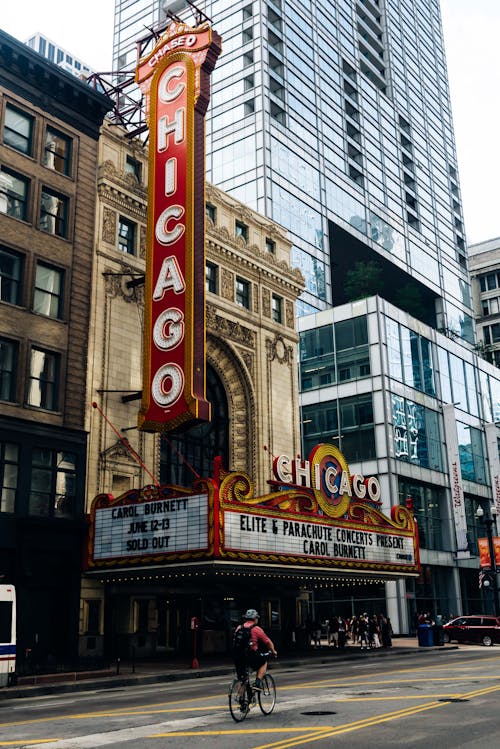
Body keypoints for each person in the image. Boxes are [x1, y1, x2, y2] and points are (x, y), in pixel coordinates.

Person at [233, 608, 277, 691]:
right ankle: (257, 683)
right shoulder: (256, 629)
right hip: (250, 655)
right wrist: (273, 651)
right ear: (255, 619)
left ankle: (242, 701)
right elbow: (268, 642)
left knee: (242, 679)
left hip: (238, 656)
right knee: (263, 662)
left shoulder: (239, 627)